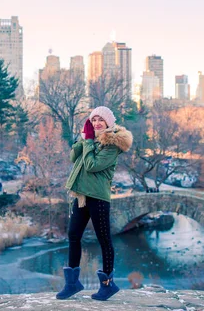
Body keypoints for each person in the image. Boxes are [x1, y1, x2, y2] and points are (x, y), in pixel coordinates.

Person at [56, 106, 133, 301]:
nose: (97, 123)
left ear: (108, 122)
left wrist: (88, 140)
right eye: (94, 119)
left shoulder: (112, 143)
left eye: (101, 120)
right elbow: (74, 157)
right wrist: (82, 138)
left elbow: (91, 166)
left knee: (104, 239)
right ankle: (72, 283)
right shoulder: (89, 137)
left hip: (98, 198)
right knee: (73, 235)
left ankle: (107, 285)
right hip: (81, 195)